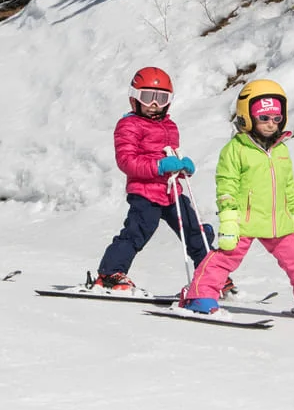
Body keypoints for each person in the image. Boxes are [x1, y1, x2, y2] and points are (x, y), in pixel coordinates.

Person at [183, 79, 294, 324]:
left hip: (279, 221)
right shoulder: (235, 150)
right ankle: (200, 297)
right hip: (244, 219)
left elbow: (288, 187)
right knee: (224, 258)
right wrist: (229, 220)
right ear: (247, 116)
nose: (270, 124)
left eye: (276, 118)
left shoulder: (281, 150)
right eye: (264, 118)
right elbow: (226, 185)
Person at [90, 67, 211, 291]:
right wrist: (159, 166)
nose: (154, 103)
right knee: (138, 231)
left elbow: (169, 154)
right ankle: (110, 273)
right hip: (145, 192)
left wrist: (182, 166)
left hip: (171, 190)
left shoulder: (170, 126)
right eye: (148, 97)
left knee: (195, 230)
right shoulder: (128, 125)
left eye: (161, 98)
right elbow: (127, 161)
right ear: (134, 98)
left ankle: (210, 276)